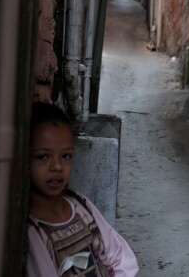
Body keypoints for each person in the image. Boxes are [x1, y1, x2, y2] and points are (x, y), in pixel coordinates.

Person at [26, 101, 139, 277]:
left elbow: (120, 257)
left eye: (66, 156)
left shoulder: (80, 204)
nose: (57, 166)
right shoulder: (34, 231)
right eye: (42, 156)